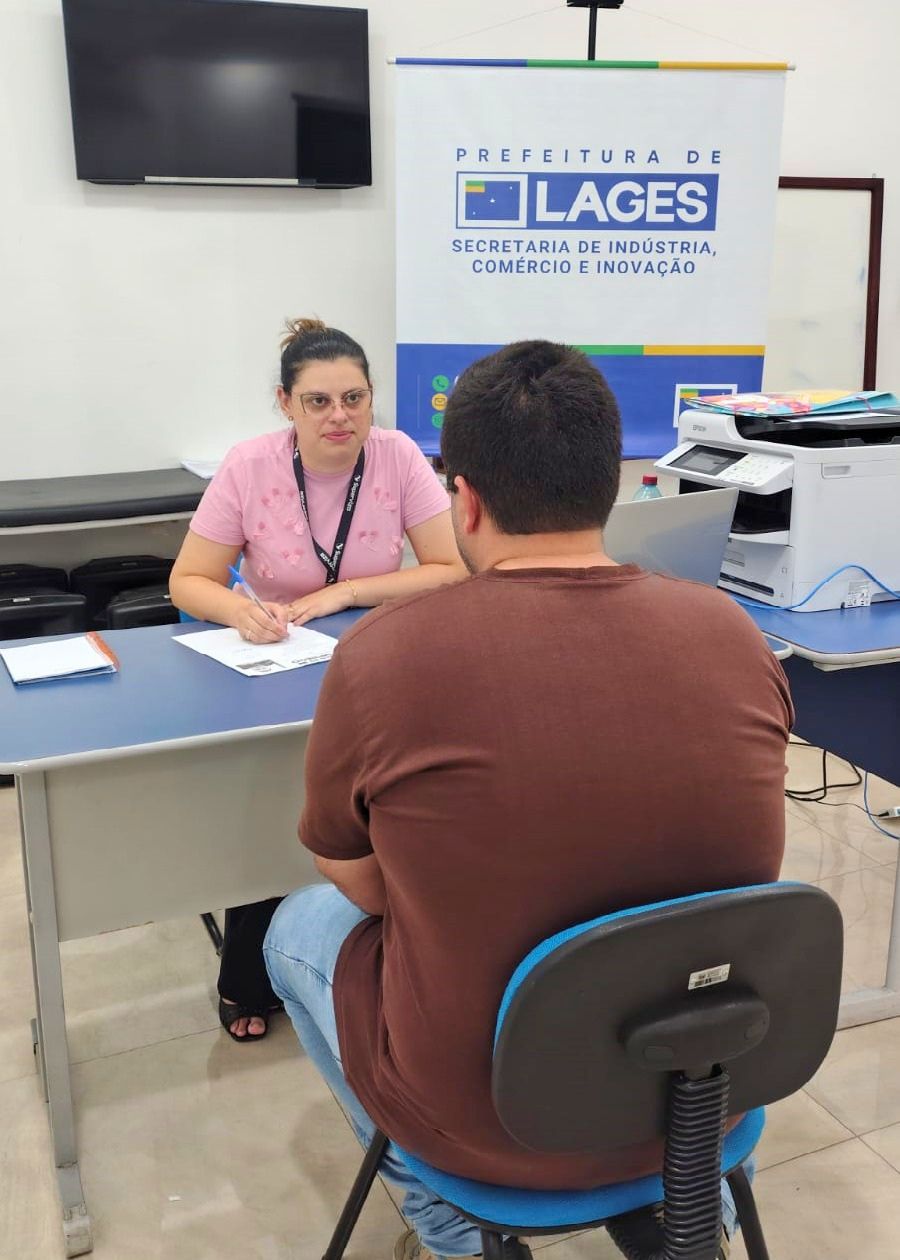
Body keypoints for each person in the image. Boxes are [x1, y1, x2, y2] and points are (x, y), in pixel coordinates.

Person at [262, 341, 793, 1260]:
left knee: (293, 927)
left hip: (484, 1121)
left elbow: (355, 874)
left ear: (463, 500)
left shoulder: (383, 657)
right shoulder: (733, 632)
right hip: (702, 1091)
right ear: (608, 485)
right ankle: (685, 1210)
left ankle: (452, 1228)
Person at [169, 318, 464, 1041]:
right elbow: (188, 580)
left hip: (377, 660)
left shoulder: (397, 456)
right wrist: (239, 610)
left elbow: (450, 568)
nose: (340, 417)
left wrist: (345, 593)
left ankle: (386, 959)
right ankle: (247, 977)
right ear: (286, 403)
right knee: (274, 807)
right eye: (319, 401)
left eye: (354, 399)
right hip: (275, 664)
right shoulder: (249, 465)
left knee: (387, 811)